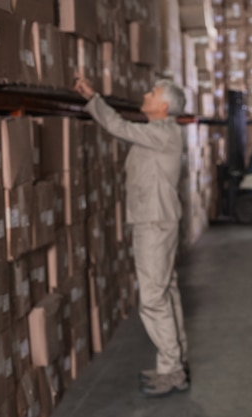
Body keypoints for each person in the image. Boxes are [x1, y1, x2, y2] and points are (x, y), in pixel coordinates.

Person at [74, 75, 190, 398]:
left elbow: (118, 126)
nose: (144, 92)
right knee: (166, 290)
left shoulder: (162, 132)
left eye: (151, 92)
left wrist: (93, 98)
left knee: (153, 297)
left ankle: (172, 369)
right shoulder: (162, 134)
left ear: (163, 106)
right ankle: (176, 361)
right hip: (157, 220)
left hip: (154, 223)